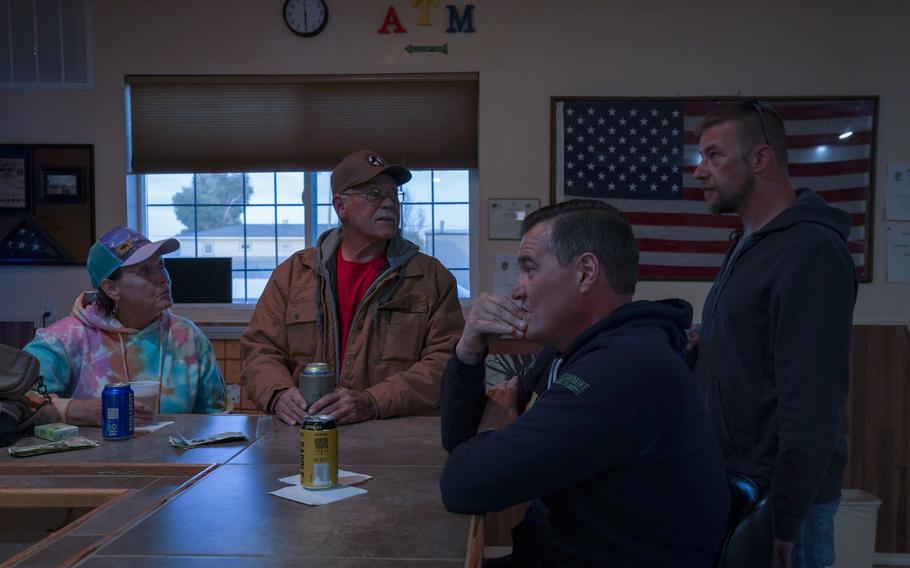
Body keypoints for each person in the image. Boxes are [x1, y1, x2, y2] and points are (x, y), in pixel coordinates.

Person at [439, 200, 730, 566]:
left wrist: (492, 431)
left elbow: (464, 486)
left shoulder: (624, 370)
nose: (517, 290)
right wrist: (468, 350)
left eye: (530, 269)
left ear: (585, 272)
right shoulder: (568, 352)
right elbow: (458, 443)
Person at [692, 100, 857, 568]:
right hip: (741, 486)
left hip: (781, 504)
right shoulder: (751, 243)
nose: (700, 172)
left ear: (760, 158)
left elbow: (813, 400)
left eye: (714, 156)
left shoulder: (809, 250)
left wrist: (785, 518)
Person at [241, 150, 464, 426]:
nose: (388, 204)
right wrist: (278, 393)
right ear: (340, 206)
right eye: (373, 194)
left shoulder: (430, 277)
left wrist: (373, 401)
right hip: (304, 433)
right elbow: (260, 349)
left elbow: (445, 363)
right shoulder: (294, 274)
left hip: (394, 436)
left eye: (394, 195)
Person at [24, 226, 232, 426]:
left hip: (173, 459)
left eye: (161, 266)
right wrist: (73, 410)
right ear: (111, 289)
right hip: (88, 460)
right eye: (146, 271)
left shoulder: (185, 336)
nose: (162, 278)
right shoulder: (63, 339)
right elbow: (16, 402)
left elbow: (218, 416)